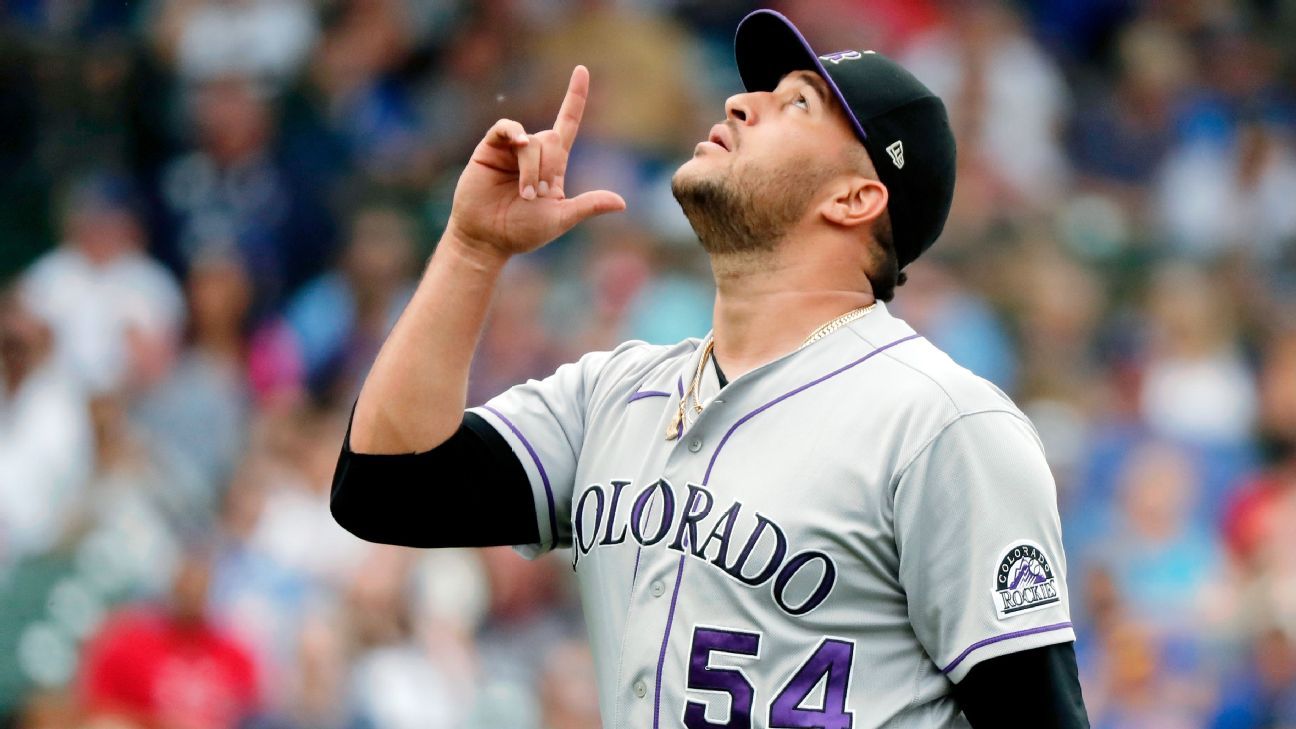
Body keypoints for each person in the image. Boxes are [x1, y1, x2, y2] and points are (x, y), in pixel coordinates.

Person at [331, 9, 1089, 727]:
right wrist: (471, 249)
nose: (739, 104)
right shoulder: (613, 394)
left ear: (858, 197)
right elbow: (388, 485)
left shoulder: (941, 425)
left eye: (796, 105)